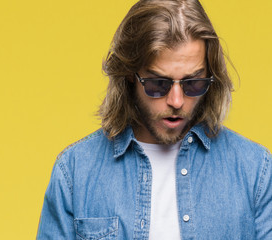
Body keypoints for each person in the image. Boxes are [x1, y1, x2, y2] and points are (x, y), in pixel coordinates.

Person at [37, 0, 272, 239]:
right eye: (158, 84)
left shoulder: (255, 171)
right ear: (129, 74)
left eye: (193, 83)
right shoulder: (75, 172)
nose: (177, 101)